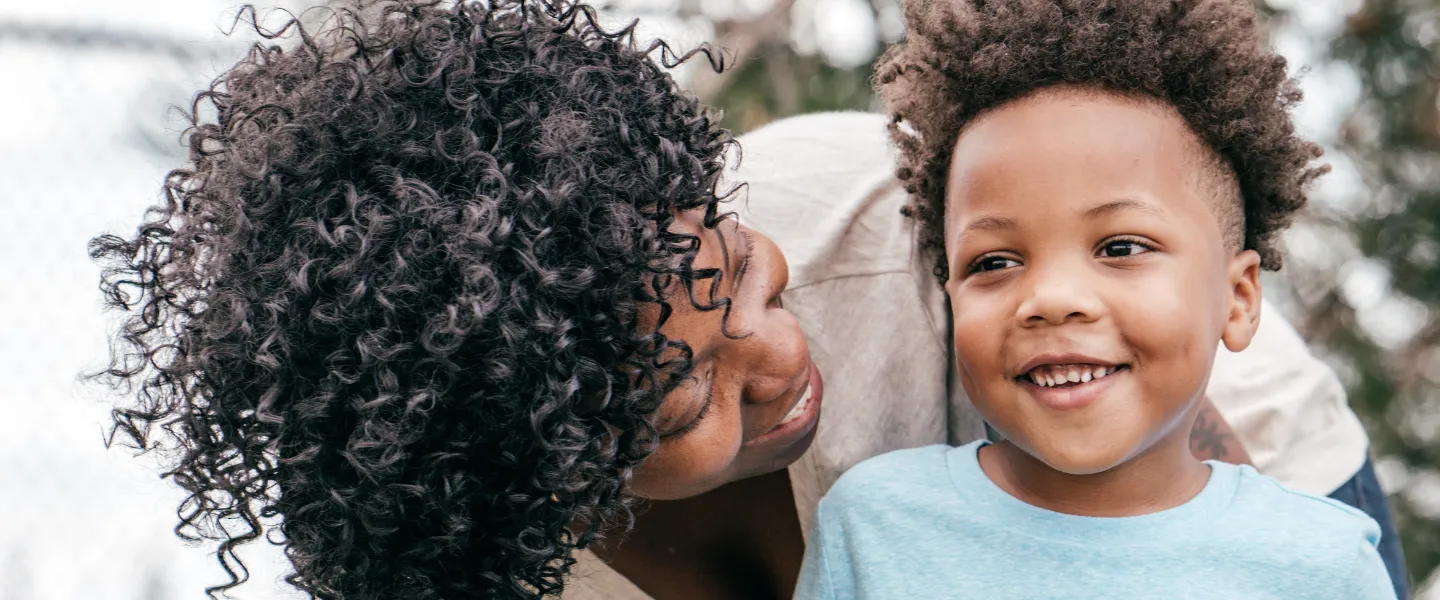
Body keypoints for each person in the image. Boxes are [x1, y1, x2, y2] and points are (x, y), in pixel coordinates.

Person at [88, 1, 1397, 600]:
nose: (779, 357)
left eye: (739, 277)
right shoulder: (498, 570)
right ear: (550, 481)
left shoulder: (899, 239)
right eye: (692, 396)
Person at [791, 1, 1398, 598]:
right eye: (994, 262)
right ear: (949, 295)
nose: (1051, 300)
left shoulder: (1324, 566)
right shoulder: (872, 527)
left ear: (1237, 301)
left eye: (1121, 247)